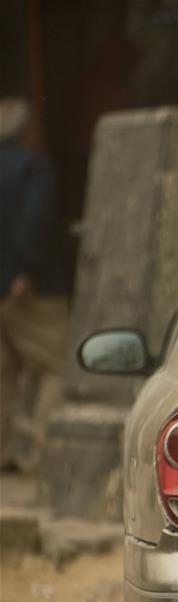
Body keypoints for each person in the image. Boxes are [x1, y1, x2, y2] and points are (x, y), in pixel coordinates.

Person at [0, 97, 69, 473]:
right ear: (27, 130)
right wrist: (25, 270)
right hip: (28, 289)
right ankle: (46, 460)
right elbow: (35, 219)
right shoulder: (34, 167)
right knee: (54, 366)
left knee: (3, 373)